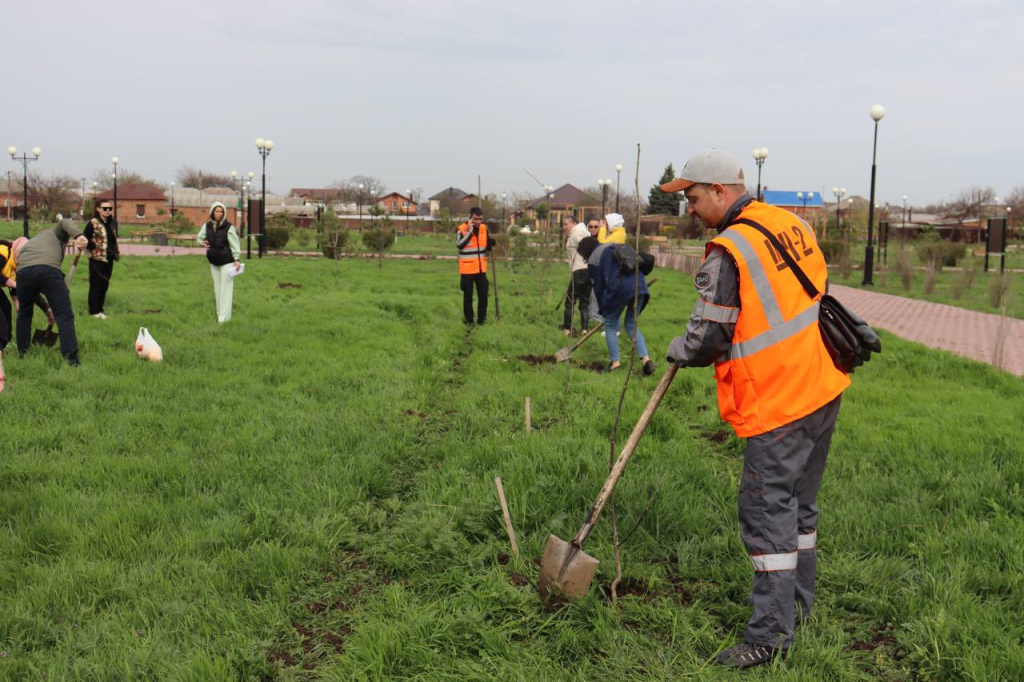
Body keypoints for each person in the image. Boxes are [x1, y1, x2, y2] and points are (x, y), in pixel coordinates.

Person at [661, 149, 850, 668]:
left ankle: (769, 637)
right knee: (800, 512)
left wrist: (679, 347)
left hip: (778, 400)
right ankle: (796, 610)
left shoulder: (730, 249)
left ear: (720, 191)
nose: (691, 210)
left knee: (768, 520)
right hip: (820, 385)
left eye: (695, 198)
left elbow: (705, 342)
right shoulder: (789, 224)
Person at [577, 236, 655, 375]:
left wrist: (604, 309)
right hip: (640, 286)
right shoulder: (614, 245)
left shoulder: (593, 259)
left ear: (585, 252)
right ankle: (646, 360)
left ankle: (615, 363)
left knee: (611, 325)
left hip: (620, 290)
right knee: (631, 325)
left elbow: (599, 287)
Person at [15, 219, 87, 366]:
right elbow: (64, 222)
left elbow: (34, 287)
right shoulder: (56, 233)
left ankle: (23, 354)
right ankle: (71, 360)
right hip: (48, 271)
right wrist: (79, 235)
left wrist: (48, 310)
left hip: (22, 272)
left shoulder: (33, 242)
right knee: (64, 315)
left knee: (24, 313)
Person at [197, 202, 242, 323]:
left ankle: (224, 318)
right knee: (217, 289)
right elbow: (199, 237)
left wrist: (237, 260)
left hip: (227, 261)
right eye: (216, 211)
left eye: (221, 211)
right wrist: (201, 243)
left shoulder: (229, 227)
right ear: (212, 212)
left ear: (224, 213)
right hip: (213, 261)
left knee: (225, 289)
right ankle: (219, 315)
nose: (219, 214)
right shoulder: (207, 226)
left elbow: (234, 244)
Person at [83, 198, 121, 319]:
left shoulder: (112, 223)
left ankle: (100, 310)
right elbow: (84, 240)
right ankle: (94, 312)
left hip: (109, 259)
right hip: (96, 259)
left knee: (104, 285)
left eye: (110, 208)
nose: (108, 211)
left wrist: (115, 252)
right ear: (98, 209)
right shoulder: (92, 223)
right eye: (105, 208)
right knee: (96, 285)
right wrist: (93, 245)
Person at [455, 207, 492, 325]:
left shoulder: (484, 229)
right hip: (467, 270)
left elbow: (485, 246)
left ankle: (482, 320)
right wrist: (470, 232)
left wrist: (490, 244)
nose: (478, 221)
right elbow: (459, 245)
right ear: (470, 217)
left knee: (483, 295)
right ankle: (469, 321)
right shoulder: (461, 229)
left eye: (480, 219)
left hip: (481, 269)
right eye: (475, 219)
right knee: (468, 296)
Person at [561, 215, 592, 336]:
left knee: (570, 301)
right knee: (584, 302)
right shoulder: (582, 231)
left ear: (573, 223)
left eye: (566, 224)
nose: (564, 227)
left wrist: (583, 258)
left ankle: (567, 329)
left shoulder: (577, 232)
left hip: (579, 271)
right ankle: (584, 330)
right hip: (588, 271)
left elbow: (587, 245)